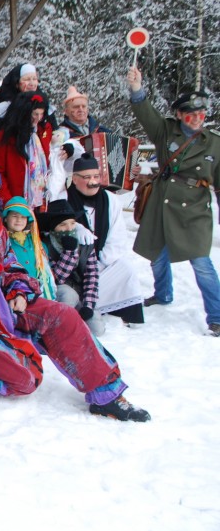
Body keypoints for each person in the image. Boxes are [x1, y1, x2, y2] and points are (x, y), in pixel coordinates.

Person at [0, 140, 150, 421]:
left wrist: (18, 290)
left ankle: (107, 394)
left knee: (64, 315)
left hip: (8, 308)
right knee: (26, 379)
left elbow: (11, 266)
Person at [126, 66, 220, 336]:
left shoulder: (214, 143)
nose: (197, 119)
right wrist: (136, 88)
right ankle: (162, 294)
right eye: (191, 114)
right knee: (156, 254)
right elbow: (145, 113)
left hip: (195, 209)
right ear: (179, 115)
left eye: (201, 114)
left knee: (201, 262)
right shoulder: (166, 131)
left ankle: (217, 316)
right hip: (163, 202)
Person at [66, 153, 144, 326]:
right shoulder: (64, 198)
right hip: (73, 268)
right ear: (75, 179)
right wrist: (75, 228)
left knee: (126, 269)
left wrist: (99, 263)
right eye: (87, 177)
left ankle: (118, 312)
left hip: (101, 264)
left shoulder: (111, 200)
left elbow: (117, 236)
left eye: (96, 176)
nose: (93, 181)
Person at [37, 199, 104, 336]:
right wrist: (69, 253)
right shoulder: (45, 245)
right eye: (63, 225)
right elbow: (56, 278)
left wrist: (88, 305)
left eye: (72, 223)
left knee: (96, 329)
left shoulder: (85, 243)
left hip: (80, 295)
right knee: (68, 294)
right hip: (59, 294)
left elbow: (92, 276)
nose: (69, 229)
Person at [0, 90, 54, 207]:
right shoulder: (5, 137)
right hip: (16, 199)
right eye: (35, 114)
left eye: (41, 114)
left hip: (42, 198)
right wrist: (9, 201)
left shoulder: (44, 130)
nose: (38, 118)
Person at [2, 197, 56, 301]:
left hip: (41, 294)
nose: (19, 220)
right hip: (17, 296)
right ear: (6, 218)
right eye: (14, 216)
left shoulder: (36, 243)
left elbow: (46, 271)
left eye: (23, 217)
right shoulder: (3, 242)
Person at [0, 62, 43, 146]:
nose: (32, 83)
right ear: (17, 83)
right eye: (27, 79)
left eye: (34, 79)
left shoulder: (42, 104)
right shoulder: (2, 108)